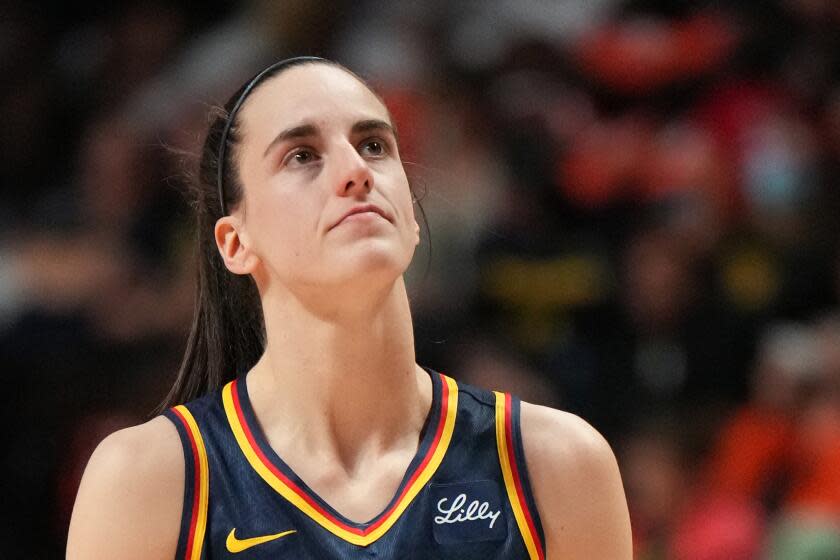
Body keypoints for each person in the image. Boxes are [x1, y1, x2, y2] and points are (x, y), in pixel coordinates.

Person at [67, 56, 632, 559]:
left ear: (411, 216)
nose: (355, 170)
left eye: (374, 145)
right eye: (302, 155)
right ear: (235, 243)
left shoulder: (555, 464)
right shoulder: (148, 482)